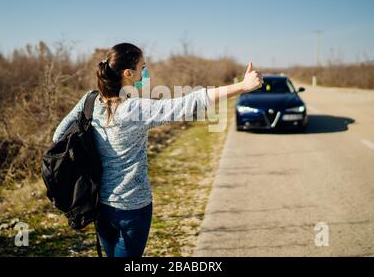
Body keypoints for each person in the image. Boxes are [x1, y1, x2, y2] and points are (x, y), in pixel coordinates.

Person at [52, 42, 263, 257]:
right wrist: (241, 87)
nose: (145, 72)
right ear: (128, 73)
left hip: (99, 205)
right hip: (133, 208)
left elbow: (58, 136)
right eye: (142, 67)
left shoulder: (88, 101)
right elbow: (188, 103)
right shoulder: (135, 109)